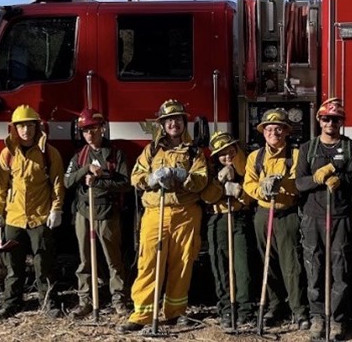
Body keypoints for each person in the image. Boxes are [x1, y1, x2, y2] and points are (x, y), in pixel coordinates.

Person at [118, 99, 209, 332]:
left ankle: (175, 311)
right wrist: (150, 179)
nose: (174, 124)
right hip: (155, 212)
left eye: (178, 119)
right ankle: (142, 313)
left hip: (186, 213)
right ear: (162, 124)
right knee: (149, 262)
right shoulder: (151, 150)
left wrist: (182, 176)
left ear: (184, 122)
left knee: (182, 263)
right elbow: (135, 177)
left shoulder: (194, 151)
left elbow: (201, 180)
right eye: (169, 120)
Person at [296, 98, 352, 340]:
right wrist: (317, 178)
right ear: (319, 120)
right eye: (326, 118)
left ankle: (337, 320)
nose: (330, 123)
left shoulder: (351, 148)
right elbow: (299, 183)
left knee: (340, 270)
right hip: (313, 217)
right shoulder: (307, 148)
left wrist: (341, 179)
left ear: (341, 122)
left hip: (340, 217)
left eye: (335, 119)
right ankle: (317, 317)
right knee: (314, 269)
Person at [0, 105, 65, 321]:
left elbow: (58, 183)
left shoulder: (49, 153)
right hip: (13, 218)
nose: (26, 131)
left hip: (40, 217)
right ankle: (11, 304)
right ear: (14, 129)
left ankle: (48, 301)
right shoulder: (8, 154)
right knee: (13, 267)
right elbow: (0, 186)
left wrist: (56, 209)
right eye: (21, 126)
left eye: (30, 125)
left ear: (37, 127)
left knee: (44, 264)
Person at [243, 108, 309, 331]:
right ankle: (273, 306)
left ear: (286, 132)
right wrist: (263, 189)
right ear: (263, 132)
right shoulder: (255, 157)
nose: (274, 132)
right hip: (263, 214)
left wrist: (282, 186)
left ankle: (298, 310)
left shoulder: (297, 155)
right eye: (269, 129)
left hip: (287, 214)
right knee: (267, 262)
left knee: (292, 263)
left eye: (279, 129)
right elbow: (248, 184)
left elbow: (299, 183)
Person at [64, 108, 132, 317]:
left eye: (93, 129)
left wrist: (101, 178)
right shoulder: (79, 156)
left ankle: (119, 299)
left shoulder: (115, 155)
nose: (89, 134)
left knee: (113, 259)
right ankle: (86, 300)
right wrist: (86, 170)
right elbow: (67, 181)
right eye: (85, 130)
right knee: (85, 260)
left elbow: (126, 184)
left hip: (108, 212)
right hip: (84, 213)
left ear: (102, 129)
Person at [200, 131, 256, 328]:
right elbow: (207, 196)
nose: (227, 157)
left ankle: (244, 309)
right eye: (222, 154)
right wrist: (220, 184)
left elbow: (251, 192)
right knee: (220, 265)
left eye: (230, 151)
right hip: (218, 219)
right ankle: (226, 308)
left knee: (242, 267)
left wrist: (240, 192)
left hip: (239, 218)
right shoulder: (209, 170)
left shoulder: (247, 166)